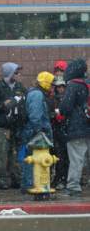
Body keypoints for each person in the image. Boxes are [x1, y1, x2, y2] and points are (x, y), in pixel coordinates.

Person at [0, 62, 26, 190]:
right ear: (9, 73)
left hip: (17, 126)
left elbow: (25, 103)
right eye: (16, 72)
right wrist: (3, 105)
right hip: (3, 127)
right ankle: (2, 180)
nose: (19, 75)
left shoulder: (20, 87)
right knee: (2, 154)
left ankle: (16, 179)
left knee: (15, 155)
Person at [19, 71, 54, 192]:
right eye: (51, 84)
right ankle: (29, 185)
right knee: (32, 159)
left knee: (30, 159)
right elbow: (35, 116)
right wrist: (39, 132)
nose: (52, 87)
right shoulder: (37, 95)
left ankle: (29, 184)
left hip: (32, 131)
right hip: (34, 132)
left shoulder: (34, 93)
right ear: (46, 84)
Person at [59, 59, 89, 197]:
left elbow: (65, 107)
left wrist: (60, 111)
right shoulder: (87, 84)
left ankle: (73, 186)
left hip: (76, 127)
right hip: (87, 125)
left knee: (76, 158)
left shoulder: (73, 85)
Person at [51, 78, 69, 190]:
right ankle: (59, 179)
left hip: (66, 131)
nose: (61, 89)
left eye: (62, 86)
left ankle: (64, 179)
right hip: (57, 131)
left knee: (66, 158)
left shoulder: (67, 99)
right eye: (59, 87)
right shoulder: (53, 100)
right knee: (59, 157)